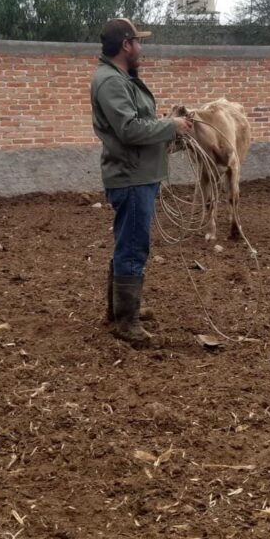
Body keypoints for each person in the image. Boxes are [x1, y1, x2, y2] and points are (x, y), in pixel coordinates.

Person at [89, 18, 193, 344]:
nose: (141, 48)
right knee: (133, 247)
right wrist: (171, 126)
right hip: (131, 177)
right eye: (138, 42)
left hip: (137, 174)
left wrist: (168, 126)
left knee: (128, 242)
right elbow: (130, 130)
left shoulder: (121, 78)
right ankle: (127, 322)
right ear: (126, 45)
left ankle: (119, 311)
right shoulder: (111, 82)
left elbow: (138, 123)